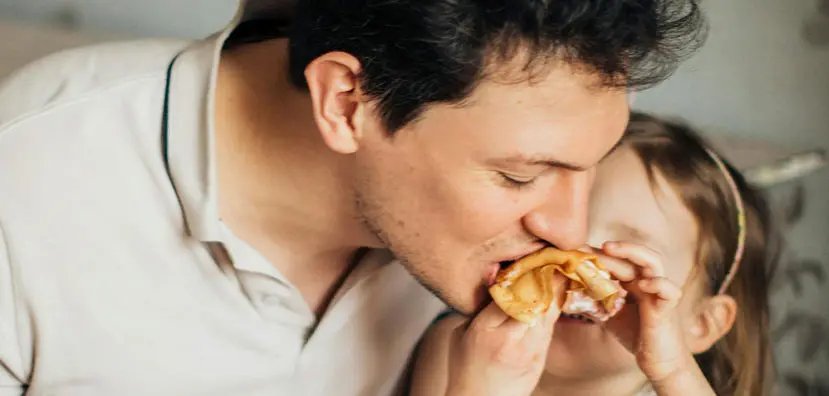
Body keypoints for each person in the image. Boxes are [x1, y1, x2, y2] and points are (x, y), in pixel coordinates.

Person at [0, 0, 705, 394]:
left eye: (589, 168)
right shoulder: (31, 181)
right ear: (345, 101)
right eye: (520, 177)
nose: (566, 226)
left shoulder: (478, 263)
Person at [409, 112, 777, 396]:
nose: (577, 261)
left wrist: (673, 370)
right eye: (568, 233)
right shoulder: (458, 350)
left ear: (701, 324)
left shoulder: (671, 384)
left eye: (629, 259)